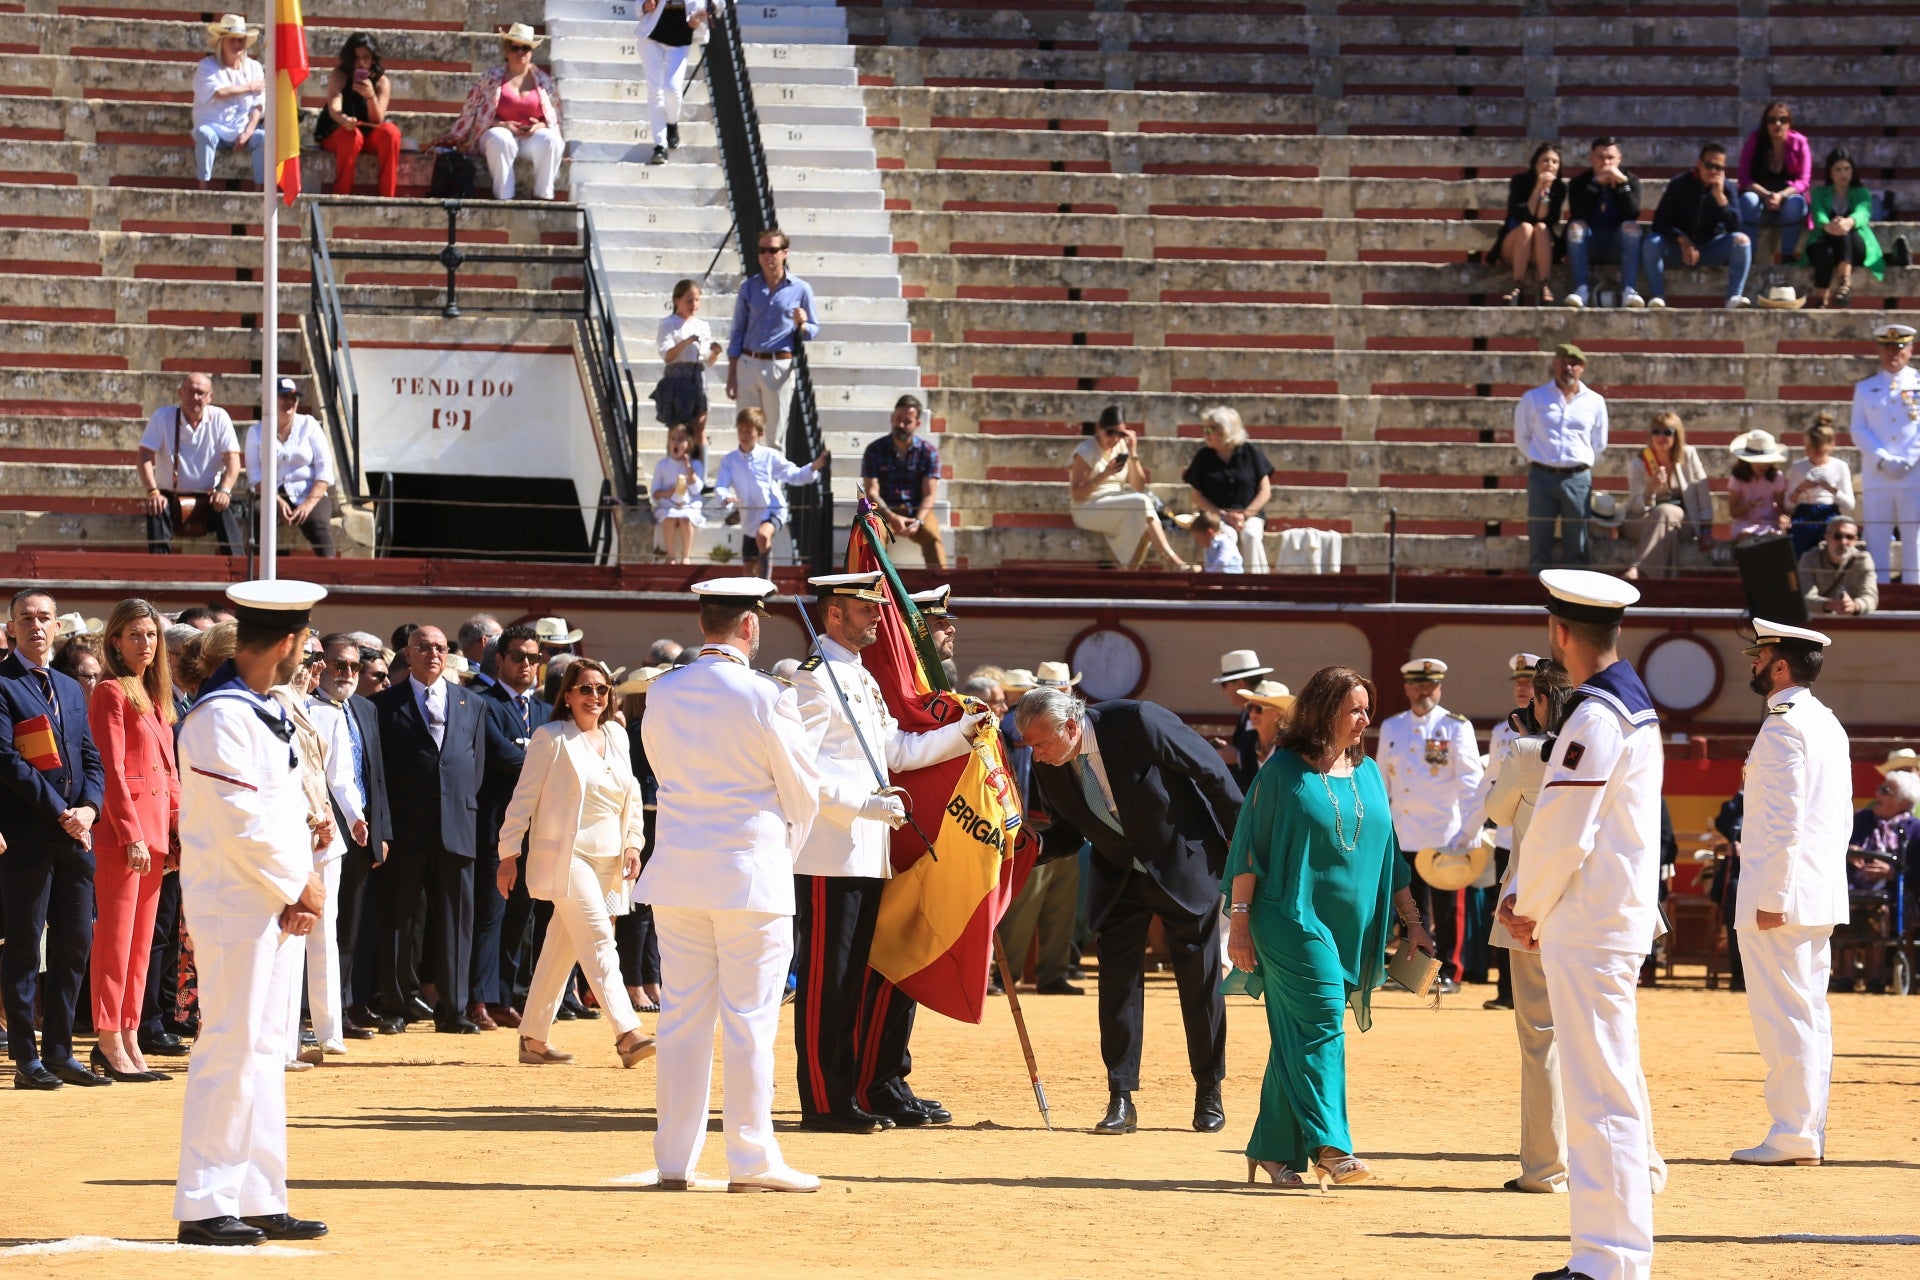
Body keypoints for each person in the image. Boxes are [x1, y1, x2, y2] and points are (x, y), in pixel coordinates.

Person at [636, 578, 821, 1191]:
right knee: (750, 1019)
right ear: (750, 625)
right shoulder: (767, 694)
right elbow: (802, 793)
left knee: (682, 1019)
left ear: (703, 623)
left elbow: (661, 772)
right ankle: (750, 1159)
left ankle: (673, 1159)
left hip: (679, 872)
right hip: (748, 872)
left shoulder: (662, 691)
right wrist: (780, 853)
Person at [1504, 570, 1662, 1280]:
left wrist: (1525, 905)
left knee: (1599, 1096)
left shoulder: (1596, 714)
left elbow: (1564, 831)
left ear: (1559, 633)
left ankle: (1609, 1260)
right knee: (1610, 1089)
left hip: (1590, 923)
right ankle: (1610, 1254)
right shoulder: (1627, 705)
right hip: (1607, 919)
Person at [1223, 665, 1432, 1190]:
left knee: (1299, 1034)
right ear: (1323, 712)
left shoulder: (1367, 772)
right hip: (1288, 918)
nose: (1365, 719)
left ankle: (1271, 1151)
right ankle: (1333, 1147)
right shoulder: (1282, 773)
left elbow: (1391, 860)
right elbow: (1249, 850)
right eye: (1354, 709)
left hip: (1350, 929)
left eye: (1367, 708)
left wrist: (1413, 923)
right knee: (1321, 1024)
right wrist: (1240, 925)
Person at [790, 572, 982, 1132]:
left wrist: (965, 732)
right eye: (864, 608)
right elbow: (802, 772)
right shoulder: (813, 682)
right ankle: (823, 1102)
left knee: (850, 978)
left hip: (865, 851)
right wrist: (864, 805)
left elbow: (895, 749)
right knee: (828, 982)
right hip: (829, 850)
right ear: (833, 615)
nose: (878, 617)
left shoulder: (859, 677)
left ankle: (843, 1092)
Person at [170, 580, 329, 1247]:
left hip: (270, 898)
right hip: (234, 902)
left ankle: (259, 1193)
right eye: (307, 645)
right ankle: (204, 1202)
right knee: (229, 1045)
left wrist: (302, 882)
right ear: (286, 643)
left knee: (266, 1049)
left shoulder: (262, 709)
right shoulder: (221, 716)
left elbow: (284, 812)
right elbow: (242, 823)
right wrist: (301, 884)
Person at [1018, 684, 1243, 1135]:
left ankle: (1208, 1093)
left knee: (1199, 984)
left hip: (1183, 863)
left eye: (1041, 744)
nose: (1036, 757)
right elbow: (1065, 833)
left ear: (1069, 726)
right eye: (1031, 747)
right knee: (1116, 984)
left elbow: (1212, 773)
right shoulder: (1050, 764)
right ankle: (1120, 1097)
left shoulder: (1138, 721)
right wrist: (1026, 848)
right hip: (1118, 873)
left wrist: (1241, 850)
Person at [1486, 658, 1668, 1197]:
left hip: (1536, 905)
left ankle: (1547, 1167)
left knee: (1541, 1038)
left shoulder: (1524, 752)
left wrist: (1518, 753)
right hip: (1606, 906)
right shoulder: (1622, 730)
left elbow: (1496, 812)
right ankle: (1645, 1162)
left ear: (1542, 702)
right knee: (1617, 1036)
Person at [1733, 618, 1851, 1166]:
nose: (1753, 664)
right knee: (1808, 1013)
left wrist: (1773, 897)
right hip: (1816, 891)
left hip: (1781, 897)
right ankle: (1806, 1128)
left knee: (1784, 1016)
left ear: (1780, 665)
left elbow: (1782, 822)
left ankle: (1792, 1132)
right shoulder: (1825, 722)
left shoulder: (1783, 726)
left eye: (1760, 656)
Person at [497, 658, 654, 1068]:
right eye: (585, 689)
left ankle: (532, 1037)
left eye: (602, 689)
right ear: (566, 695)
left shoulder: (618, 736)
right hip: (568, 859)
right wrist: (507, 854)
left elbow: (633, 796)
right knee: (601, 938)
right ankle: (627, 1032)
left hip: (611, 861)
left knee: (561, 948)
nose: (595, 697)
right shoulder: (551, 738)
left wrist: (634, 843)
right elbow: (522, 800)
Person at [0, 589, 106, 1090]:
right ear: (11, 626)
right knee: (24, 947)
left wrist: (88, 809)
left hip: (76, 837)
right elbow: (7, 762)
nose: (36, 626)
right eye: (26, 618)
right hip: (28, 836)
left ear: (57, 627)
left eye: (44, 618)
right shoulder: (1, 682)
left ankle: (62, 1051)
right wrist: (60, 811)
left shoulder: (68, 686)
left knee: (75, 945)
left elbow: (90, 758)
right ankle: (27, 1058)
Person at [369, 624, 490, 1033]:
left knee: (457, 921)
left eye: (440, 647)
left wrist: (460, 807)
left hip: (457, 824)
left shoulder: (470, 703)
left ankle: (453, 1009)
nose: (433, 654)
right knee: (401, 919)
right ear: (408, 653)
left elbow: (475, 767)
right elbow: (378, 773)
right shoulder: (382, 705)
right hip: (404, 827)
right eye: (424, 647)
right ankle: (398, 1005)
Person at [86, 599, 179, 1082]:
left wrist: (178, 828)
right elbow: (112, 771)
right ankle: (107, 1040)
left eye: (151, 634)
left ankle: (128, 1034)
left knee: (142, 944)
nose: (146, 643)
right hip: (124, 837)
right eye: (135, 634)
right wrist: (131, 834)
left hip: (156, 834)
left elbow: (169, 770)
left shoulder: (153, 695)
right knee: (116, 941)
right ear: (116, 642)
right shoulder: (109, 691)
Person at [1375, 657, 1484, 993]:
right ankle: (1415, 973)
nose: (1425, 691)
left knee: (1448, 910)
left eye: (1431, 684)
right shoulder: (1393, 726)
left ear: (1440, 687)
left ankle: (1449, 972)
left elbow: (1471, 782)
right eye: (1418, 684)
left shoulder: (1454, 726)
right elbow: (1381, 782)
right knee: (1411, 908)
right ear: (1406, 687)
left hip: (1444, 835)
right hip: (1404, 832)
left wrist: (1470, 833)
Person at [269, 652, 352, 1065]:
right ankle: (282, 1043)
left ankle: (317, 1033)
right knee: (287, 936)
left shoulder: (305, 702)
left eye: (319, 659)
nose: (316, 668)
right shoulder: (269, 699)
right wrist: (312, 817)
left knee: (318, 933)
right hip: (296, 830)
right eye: (307, 657)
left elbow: (320, 771)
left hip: (321, 831)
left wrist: (327, 818)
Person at [312, 634, 389, 1039]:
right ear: (320, 664)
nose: (346, 674)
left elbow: (373, 775)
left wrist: (380, 831)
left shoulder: (364, 709)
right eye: (339, 665)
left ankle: (340, 1008)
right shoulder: (308, 708)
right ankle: (314, 1014)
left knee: (347, 927)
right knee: (314, 921)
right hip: (318, 829)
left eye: (354, 667)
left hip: (358, 830)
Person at [476, 624, 552, 1029]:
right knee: (490, 915)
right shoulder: (482, 704)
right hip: (494, 827)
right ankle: (479, 998)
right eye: (519, 657)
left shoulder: (544, 711)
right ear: (500, 660)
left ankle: (505, 996)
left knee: (520, 918)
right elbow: (505, 757)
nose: (527, 664)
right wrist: (544, 764)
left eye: (534, 657)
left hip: (535, 833)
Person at [1479, 651, 1541, 1012]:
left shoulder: (1556, 729)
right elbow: (1489, 782)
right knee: (1504, 911)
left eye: (1528, 681)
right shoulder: (1503, 732)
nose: (1521, 688)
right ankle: (1506, 990)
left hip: (1541, 835)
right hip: (1508, 834)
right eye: (1517, 682)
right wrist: (1473, 828)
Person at [443, 23, 564, 201]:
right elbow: (472, 114)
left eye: (526, 48)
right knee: (502, 138)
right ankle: (505, 198)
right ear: (507, 51)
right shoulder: (489, 78)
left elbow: (554, 119)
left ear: (531, 52)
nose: (520, 52)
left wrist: (539, 125)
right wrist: (501, 124)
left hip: (530, 139)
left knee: (551, 139)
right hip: (496, 136)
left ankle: (542, 197)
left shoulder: (545, 82)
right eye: (515, 48)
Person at [1515, 344, 1608, 568]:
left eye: (1573, 363)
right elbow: (1522, 437)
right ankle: (1536, 596)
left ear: (1582, 368)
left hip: (1577, 479)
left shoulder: (1595, 401)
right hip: (1541, 476)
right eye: (1562, 362)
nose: (1567, 367)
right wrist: (1543, 459)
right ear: (1554, 365)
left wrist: (1575, 461)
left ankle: (1575, 600)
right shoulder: (1533, 398)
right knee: (1539, 541)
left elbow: (1599, 442)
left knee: (1578, 543)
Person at [726, 226, 819, 449]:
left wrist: (803, 324)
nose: (767, 255)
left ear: (785, 252)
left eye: (773, 250)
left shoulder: (801, 289)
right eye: (762, 250)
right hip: (748, 363)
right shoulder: (749, 287)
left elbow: (814, 329)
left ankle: (773, 484)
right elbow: (738, 330)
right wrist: (732, 373)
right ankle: (747, 483)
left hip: (779, 365)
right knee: (746, 432)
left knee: (774, 438)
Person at [1069, 407, 1190, 570]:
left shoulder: (1121, 448)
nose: (1114, 439)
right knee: (1141, 503)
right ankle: (1172, 561)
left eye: (1120, 434)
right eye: (1110, 433)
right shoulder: (1085, 451)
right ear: (1098, 428)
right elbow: (1077, 495)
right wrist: (1104, 475)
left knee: (1143, 517)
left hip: (1114, 505)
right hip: (1087, 507)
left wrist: (1132, 452)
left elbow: (1138, 486)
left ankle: (1131, 571)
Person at [714, 406, 829, 577]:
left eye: (748, 432)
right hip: (749, 519)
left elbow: (793, 474)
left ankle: (766, 583)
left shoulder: (769, 455)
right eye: (741, 431)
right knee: (748, 569)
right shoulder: (730, 460)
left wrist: (815, 466)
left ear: (759, 433)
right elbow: (721, 486)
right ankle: (754, 598)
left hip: (773, 510)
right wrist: (726, 497)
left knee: (763, 535)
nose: (744, 436)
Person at [138, 372, 244, 555]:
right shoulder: (162, 417)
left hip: (210, 496)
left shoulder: (220, 417)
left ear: (210, 397)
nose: (195, 397)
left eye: (201, 393)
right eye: (190, 392)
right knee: (156, 507)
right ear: (180, 393)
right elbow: (144, 456)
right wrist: (153, 492)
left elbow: (233, 461)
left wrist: (225, 490)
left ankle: (239, 569)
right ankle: (159, 572)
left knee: (224, 506)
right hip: (169, 497)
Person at [1850, 322, 1920, 585]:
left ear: (1910, 350)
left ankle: (1915, 591)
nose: (1894, 354)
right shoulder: (1865, 388)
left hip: (1913, 475)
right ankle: (1876, 591)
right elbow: (1858, 428)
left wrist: (1909, 460)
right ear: (1879, 350)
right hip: (1878, 474)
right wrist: (1883, 459)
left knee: (1914, 537)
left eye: (1900, 348)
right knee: (1877, 536)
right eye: (1888, 348)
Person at [1642, 142, 1752, 309]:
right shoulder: (1679, 184)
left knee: (1742, 241)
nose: (1713, 171)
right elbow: (1660, 223)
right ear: (1699, 164)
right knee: (1652, 241)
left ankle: (1734, 297)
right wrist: (1681, 239)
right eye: (1709, 165)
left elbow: (1735, 227)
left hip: (1710, 248)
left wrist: (1720, 199)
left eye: (1719, 168)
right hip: (1677, 249)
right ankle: (1657, 296)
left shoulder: (1727, 188)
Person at [245, 378, 337, 558]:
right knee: (259, 515)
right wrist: (276, 500)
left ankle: (330, 576)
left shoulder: (309, 425)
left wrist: (308, 504)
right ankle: (256, 573)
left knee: (318, 523)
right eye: (284, 396)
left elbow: (325, 471)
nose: (289, 402)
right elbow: (255, 476)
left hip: (309, 491)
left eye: (294, 398)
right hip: (272, 492)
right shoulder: (256, 432)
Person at [1620, 412, 1712, 580]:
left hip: (1681, 519)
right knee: (1665, 525)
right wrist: (1650, 490)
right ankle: (1665, 584)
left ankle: (1639, 569)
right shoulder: (1639, 463)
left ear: (1677, 435)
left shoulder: (1688, 455)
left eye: (1667, 432)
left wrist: (1706, 529)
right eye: (1656, 432)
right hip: (1642, 519)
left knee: (1666, 512)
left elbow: (1702, 494)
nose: (1661, 437)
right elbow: (1635, 506)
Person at [861, 395, 947, 570]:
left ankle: (943, 588)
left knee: (932, 536)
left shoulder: (929, 452)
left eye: (907, 421)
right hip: (884, 510)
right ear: (892, 418)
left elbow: (929, 494)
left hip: (917, 509)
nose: (900, 425)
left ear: (917, 424)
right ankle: (876, 589)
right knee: (875, 536)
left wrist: (918, 521)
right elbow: (871, 491)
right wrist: (891, 517)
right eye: (898, 419)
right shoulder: (874, 450)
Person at [1182, 405, 1272, 572]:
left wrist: (1244, 515)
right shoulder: (1203, 457)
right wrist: (1222, 514)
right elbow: (1196, 495)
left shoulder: (1251, 453)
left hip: (1250, 516)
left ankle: (1257, 585)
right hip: (1218, 517)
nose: (1205, 434)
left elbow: (1265, 490)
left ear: (1225, 430)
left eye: (1210, 429)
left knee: (1251, 536)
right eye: (1204, 429)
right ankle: (1224, 583)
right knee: (1225, 536)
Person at [317, 31, 402, 197]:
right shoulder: (339, 75)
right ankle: (341, 195)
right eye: (356, 58)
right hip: (339, 131)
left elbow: (377, 119)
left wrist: (370, 96)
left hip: (368, 133)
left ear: (373, 59)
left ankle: (387, 197)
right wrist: (345, 120)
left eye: (366, 57)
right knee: (352, 135)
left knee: (391, 132)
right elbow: (335, 107)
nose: (361, 63)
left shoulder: (382, 81)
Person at [1565, 137, 1643, 309]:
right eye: (1600, 157)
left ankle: (1629, 290)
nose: (1606, 162)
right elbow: (1578, 214)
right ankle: (1581, 290)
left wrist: (1622, 184)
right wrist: (1594, 185)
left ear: (1619, 159)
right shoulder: (1579, 182)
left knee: (1632, 228)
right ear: (1592, 158)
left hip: (1617, 243)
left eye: (1610, 158)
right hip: (1590, 242)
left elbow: (1632, 213)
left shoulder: (1631, 180)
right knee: (1575, 227)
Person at [1805, 147, 1886, 309]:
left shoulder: (1862, 193)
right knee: (1823, 251)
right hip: (1825, 239)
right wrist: (1829, 226)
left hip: (1855, 245)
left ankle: (1845, 283)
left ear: (1852, 171)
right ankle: (1822, 299)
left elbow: (1863, 213)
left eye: (1847, 169)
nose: (1843, 173)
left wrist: (1848, 222)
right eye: (1838, 169)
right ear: (1831, 173)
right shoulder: (1819, 193)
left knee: (1845, 232)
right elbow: (1818, 213)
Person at [191, 15, 264, 189]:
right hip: (213, 126)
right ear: (221, 42)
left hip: (242, 129)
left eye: (240, 40)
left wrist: (247, 132)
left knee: (263, 138)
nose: (236, 45)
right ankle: (203, 187)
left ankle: (260, 191)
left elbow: (258, 106)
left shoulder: (254, 67)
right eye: (232, 40)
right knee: (204, 134)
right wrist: (249, 87)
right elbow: (219, 92)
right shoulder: (206, 66)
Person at [636, 0, 714, 164]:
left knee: (672, 89)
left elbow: (722, 3)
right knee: (654, 91)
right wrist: (644, 5)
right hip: (651, 37)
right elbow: (639, 4)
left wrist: (705, 12)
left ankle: (672, 122)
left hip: (680, 39)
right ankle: (660, 145)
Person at [1736, 101, 1812, 266]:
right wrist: (1767, 195)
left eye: (1783, 120)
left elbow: (1804, 180)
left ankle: (1787, 256)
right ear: (1765, 122)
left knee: (1796, 204)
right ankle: (1748, 257)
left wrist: (1781, 195)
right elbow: (1743, 178)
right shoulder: (1755, 140)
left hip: (1788, 195)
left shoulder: (1800, 142)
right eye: (1772, 120)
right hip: (1760, 195)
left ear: (1789, 122)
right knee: (1748, 200)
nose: (1777, 124)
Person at [653, 279, 722, 459]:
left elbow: (708, 359)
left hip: (696, 376)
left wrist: (715, 352)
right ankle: (673, 471)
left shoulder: (702, 325)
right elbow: (667, 355)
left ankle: (700, 473)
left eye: (697, 300)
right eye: (689, 300)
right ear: (677, 301)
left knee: (699, 426)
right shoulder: (668, 324)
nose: (694, 305)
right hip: (676, 377)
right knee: (677, 429)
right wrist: (686, 342)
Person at [1497, 142, 1566, 306]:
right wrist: (1537, 188)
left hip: (1540, 247)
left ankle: (1545, 285)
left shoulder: (1560, 188)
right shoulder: (1519, 181)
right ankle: (1517, 286)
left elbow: (1547, 219)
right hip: (1515, 243)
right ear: (1535, 163)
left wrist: (1546, 192)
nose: (1549, 165)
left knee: (1540, 228)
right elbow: (1521, 214)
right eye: (1545, 160)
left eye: (1554, 162)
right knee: (1527, 227)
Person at [1785, 413, 1857, 557]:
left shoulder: (1840, 466)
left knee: (1833, 540)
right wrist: (1801, 489)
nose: (1816, 454)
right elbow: (1788, 505)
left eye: (1821, 451)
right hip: (1804, 513)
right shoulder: (1798, 467)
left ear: (1831, 446)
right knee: (1798, 542)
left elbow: (1850, 505)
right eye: (1811, 449)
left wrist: (1832, 489)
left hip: (1829, 512)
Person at [1213, 649, 1272, 791]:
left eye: (1224, 684)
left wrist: (1237, 756)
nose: (1223, 690)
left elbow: (1270, 749)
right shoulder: (1247, 711)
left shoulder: (1266, 708)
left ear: (1239, 683)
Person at [1798, 515, 1877, 616]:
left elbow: (1871, 598)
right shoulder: (1809, 559)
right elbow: (1803, 598)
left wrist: (1854, 605)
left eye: (1849, 537)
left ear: (1855, 540)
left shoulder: (1863, 560)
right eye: (1837, 536)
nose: (1843, 542)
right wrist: (1830, 604)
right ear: (1826, 537)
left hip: (1853, 623)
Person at [651, 425, 707, 564]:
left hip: (688, 506)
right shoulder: (662, 465)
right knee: (669, 519)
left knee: (685, 519)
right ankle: (670, 556)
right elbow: (655, 493)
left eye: (680, 440)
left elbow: (696, 489)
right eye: (673, 439)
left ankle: (686, 556)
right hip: (668, 505)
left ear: (688, 444)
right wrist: (668, 493)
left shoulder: (696, 465)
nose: (676, 443)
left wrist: (689, 469)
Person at [1727, 430, 1790, 541]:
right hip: (1744, 525)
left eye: (1766, 462)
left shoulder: (1777, 477)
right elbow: (1733, 513)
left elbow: (1780, 507)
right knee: (1747, 539)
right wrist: (1750, 505)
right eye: (1758, 462)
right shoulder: (1737, 478)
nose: (1763, 466)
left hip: (1769, 525)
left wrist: (1783, 518)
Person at [1235, 680, 1293, 770]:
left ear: (1278, 714)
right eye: (1250, 707)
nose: (1252, 714)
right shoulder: (1248, 741)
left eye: (1259, 709)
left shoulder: (1291, 745)